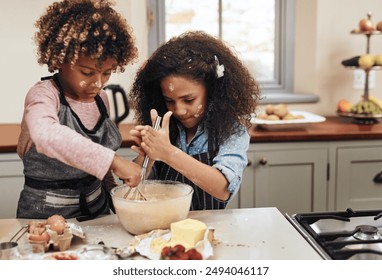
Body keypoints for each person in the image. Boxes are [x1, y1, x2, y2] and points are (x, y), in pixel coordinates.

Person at [16, 0, 141, 220]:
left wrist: (115, 196)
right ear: (60, 59)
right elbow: (46, 135)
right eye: (87, 72)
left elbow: (98, 161)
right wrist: (113, 161)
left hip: (97, 210)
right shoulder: (43, 95)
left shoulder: (101, 99)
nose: (98, 83)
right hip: (45, 215)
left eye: (107, 73)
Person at [129, 31, 260, 210]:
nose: (179, 110)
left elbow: (223, 189)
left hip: (211, 227)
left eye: (189, 100)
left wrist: (168, 153)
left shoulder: (232, 131)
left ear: (212, 92)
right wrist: (147, 158)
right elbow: (135, 186)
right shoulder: (161, 125)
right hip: (165, 223)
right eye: (169, 101)